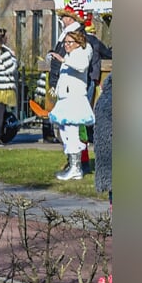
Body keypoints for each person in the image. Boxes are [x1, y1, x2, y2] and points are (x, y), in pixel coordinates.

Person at [48, 25, 95, 180]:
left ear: (77, 42)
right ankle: (75, 166)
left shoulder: (82, 53)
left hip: (74, 99)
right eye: (65, 42)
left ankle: (76, 167)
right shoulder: (70, 56)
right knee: (65, 133)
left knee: (72, 134)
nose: (66, 45)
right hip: (66, 99)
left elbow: (82, 67)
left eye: (70, 42)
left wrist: (63, 60)